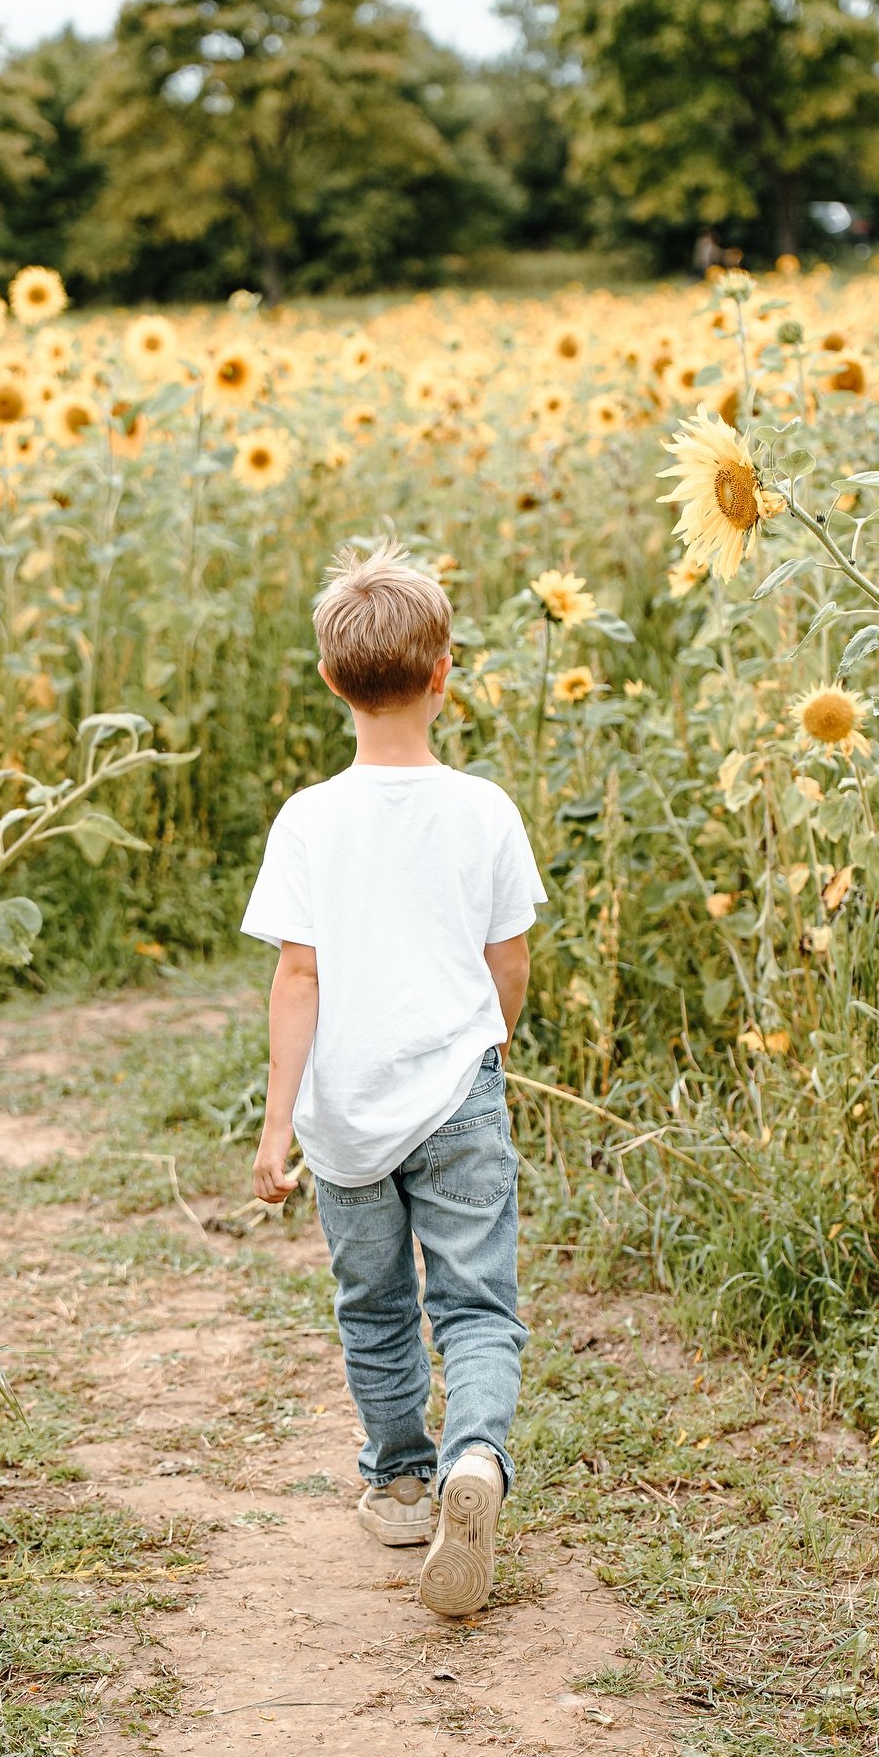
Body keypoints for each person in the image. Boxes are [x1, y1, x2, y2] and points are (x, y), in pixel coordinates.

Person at [241, 538, 546, 1617]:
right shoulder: (485, 808)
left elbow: (297, 975)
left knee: (375, 1306)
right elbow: (508, 957)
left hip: (345, 1109)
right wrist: (484, 1039)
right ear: (445, 671)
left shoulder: (309, 818)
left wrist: (277, 1132)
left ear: (331, 679)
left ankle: (404, 1479)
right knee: (478, 1305)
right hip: (458, 1088)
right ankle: (478, 1459)